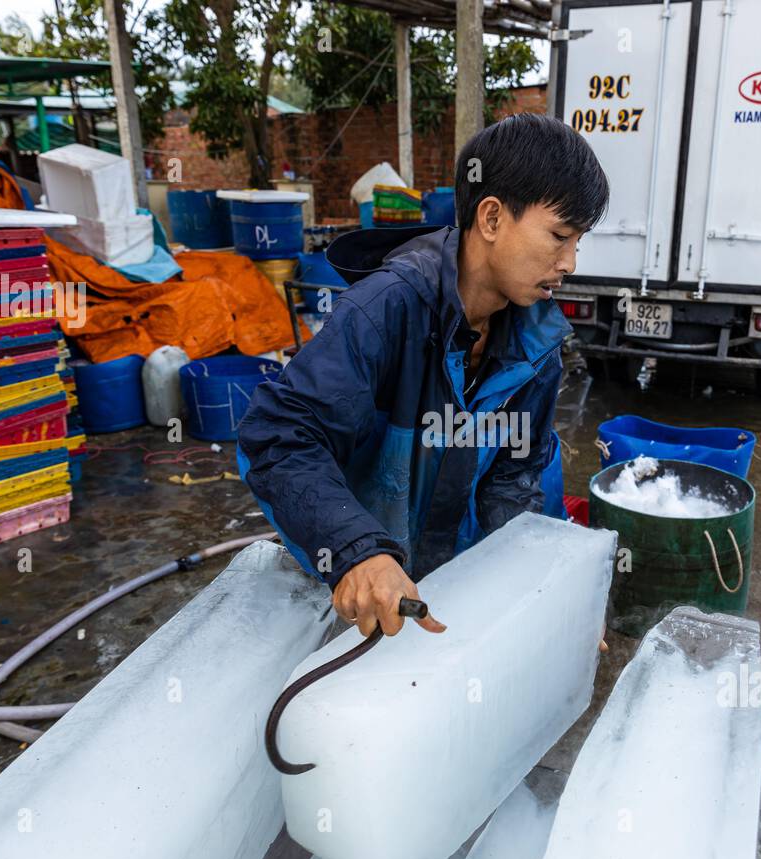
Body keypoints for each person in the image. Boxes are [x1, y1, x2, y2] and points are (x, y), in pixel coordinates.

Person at [236, 113, 609, 638]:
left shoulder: (538, 345)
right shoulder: (386, 310)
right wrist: (356, 552)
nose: (569, 261)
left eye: (578, 242)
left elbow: (513, 481)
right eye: (559, 236)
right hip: (349, 587)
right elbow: (277, 437)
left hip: (439, 588)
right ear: (493, 218)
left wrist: (543, 594)